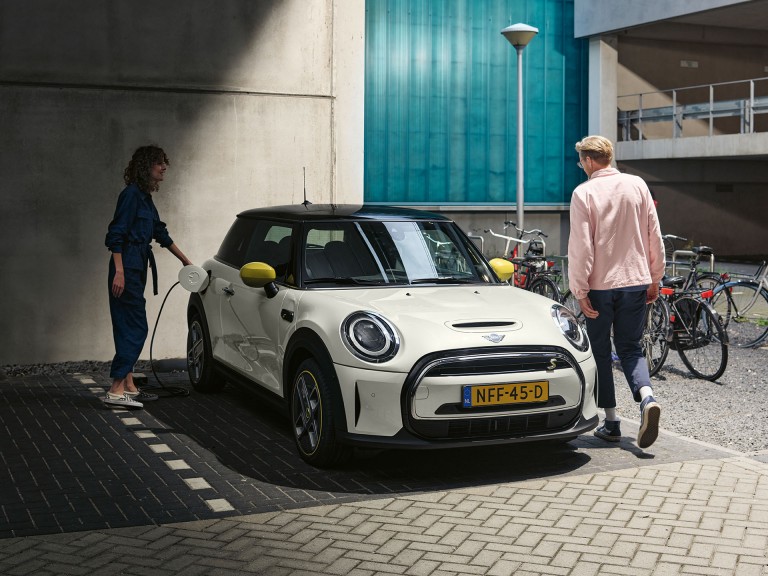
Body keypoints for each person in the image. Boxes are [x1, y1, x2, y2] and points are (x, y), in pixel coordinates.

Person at [568, 135, 666, 448]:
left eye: (581, 160)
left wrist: (579, 290)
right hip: (636, 281)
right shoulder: (637, 185)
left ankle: (611, 422)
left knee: (599, 350)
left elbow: (581, 247)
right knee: (630, 347)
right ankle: (646, 397)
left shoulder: (583, 192)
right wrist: (655, 277)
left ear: (587, 160)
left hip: (599, 286)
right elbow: (654, 234)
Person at [104, 145, 192, 409]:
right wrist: (119, 271)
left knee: (125, 324)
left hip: (137, 265)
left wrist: (185, 260)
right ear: (146, 167)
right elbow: (115, 234)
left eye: (164, 162)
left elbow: (159, 233)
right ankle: (115, 388)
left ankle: (129, 385)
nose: (164, 167)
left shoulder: (144, 198)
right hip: (126, 266)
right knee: (137, 326)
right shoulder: (130, 195)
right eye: (158, 163)